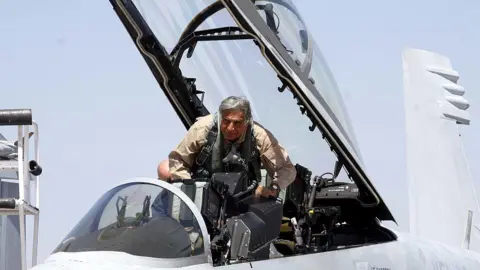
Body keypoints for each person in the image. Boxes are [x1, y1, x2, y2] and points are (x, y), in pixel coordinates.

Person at [165, 96, 296, 197]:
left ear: (246, 121)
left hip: (244, 195)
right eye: (226, 121)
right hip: (204, 190)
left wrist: (273, 188)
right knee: (164, 170)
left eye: (237, 123)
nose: (230, 128)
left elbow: (286, 168)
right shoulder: (202, 129)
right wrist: (190, 190)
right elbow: (178, 160)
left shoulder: (259, 135)